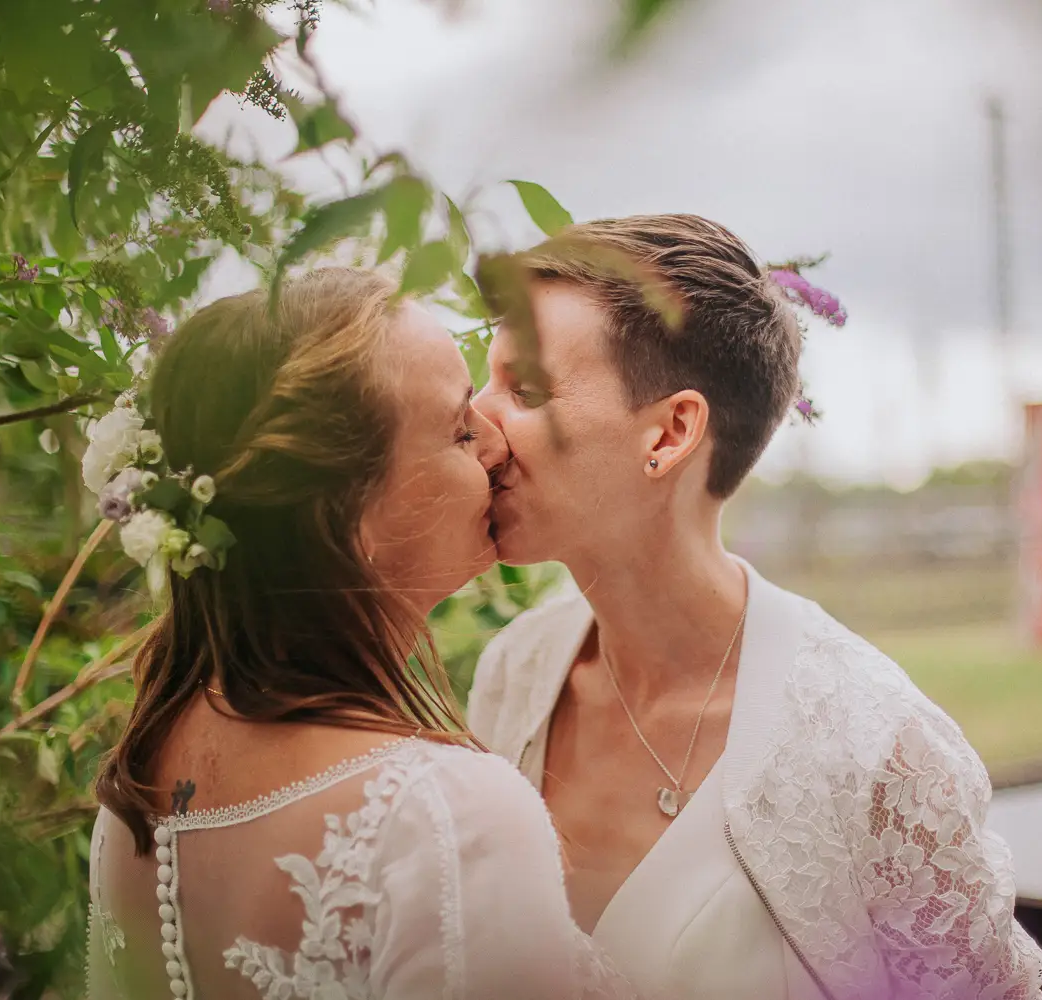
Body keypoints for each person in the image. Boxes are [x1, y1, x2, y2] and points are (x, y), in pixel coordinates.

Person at [469, 215, 1042, 1000]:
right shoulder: (516, 672)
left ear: (670, 432)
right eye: (483, 380)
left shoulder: (877, 749)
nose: (475, 421)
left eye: (524, 389)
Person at [85, 269, 633, 1000]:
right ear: (349, 513)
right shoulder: (444, 814)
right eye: (458, 429)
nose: (497, 446)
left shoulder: (137, 793)